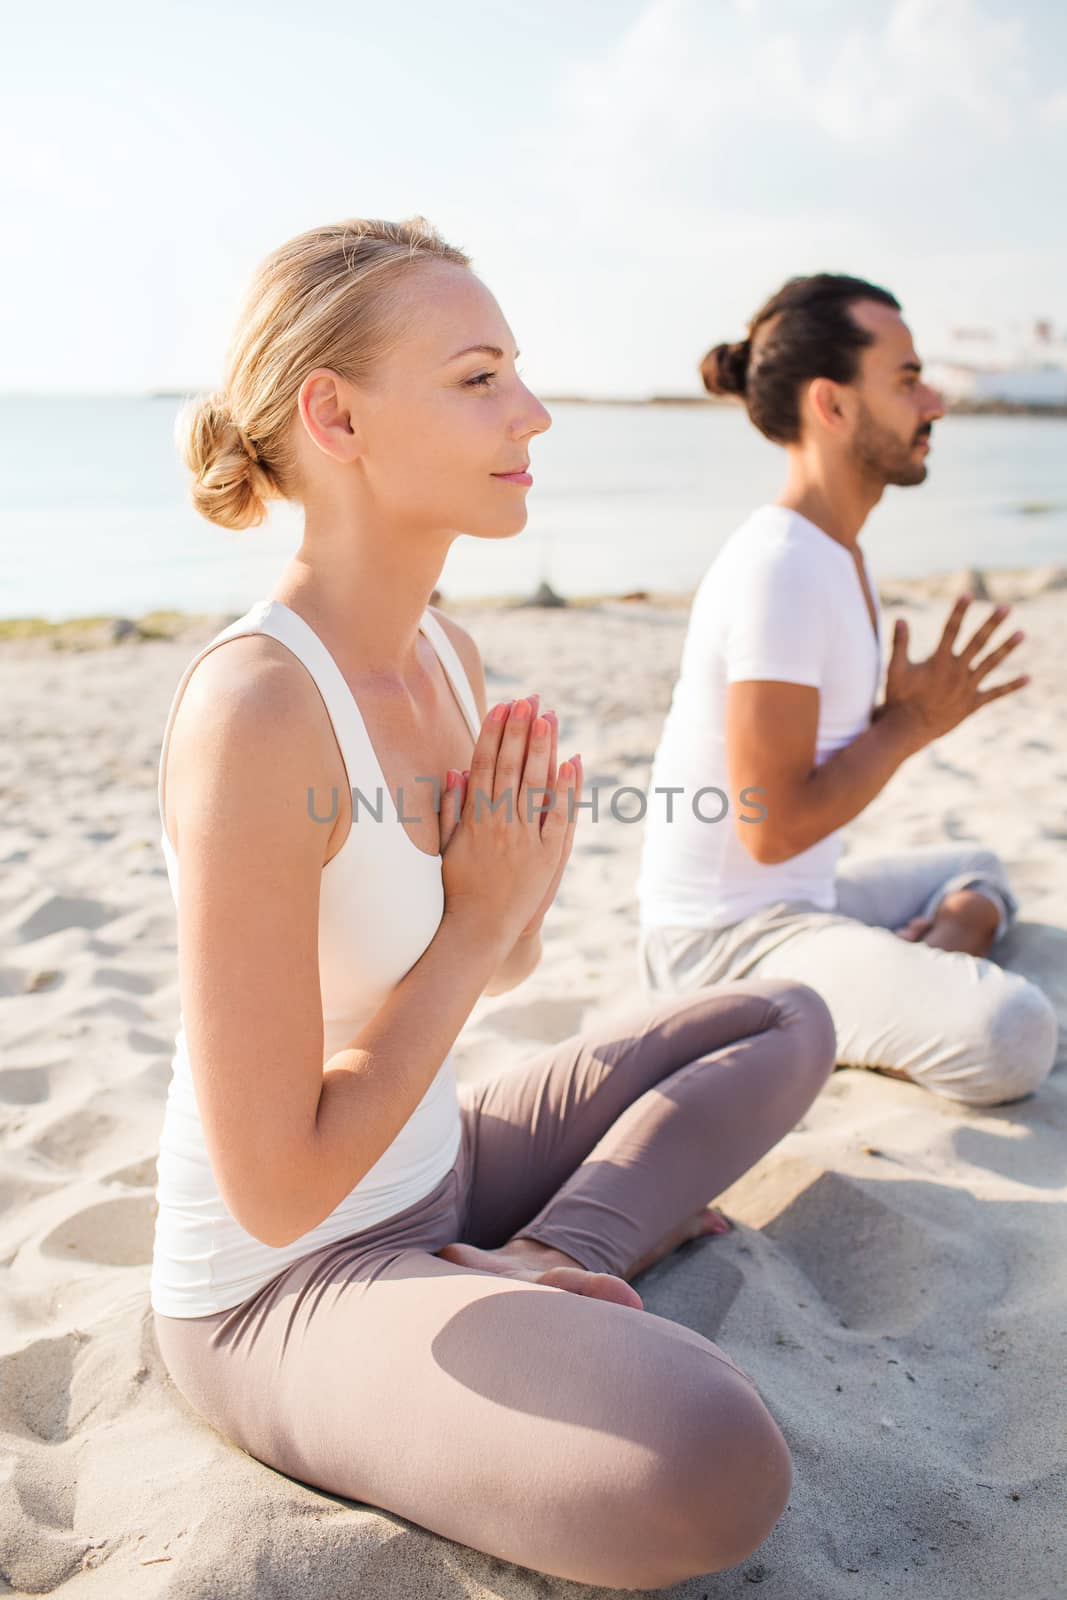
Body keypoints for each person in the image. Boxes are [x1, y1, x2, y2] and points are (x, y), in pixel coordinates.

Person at [149, 216, 838, 1590]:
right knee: (706, 1463)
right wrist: (476, 919)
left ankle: (539, 1250)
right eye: (477, 377)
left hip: (433, 1172)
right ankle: (528, 1264)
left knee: (783, 1014)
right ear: (332, 414)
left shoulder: (446, 656)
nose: (529, 411)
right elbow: (276, 1187)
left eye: (515, 371)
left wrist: (512, 900)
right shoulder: (256, 709)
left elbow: (499, 971)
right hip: (283, 1284)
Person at [636, 273, 1058, 1108]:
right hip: (722, 949)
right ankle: (910, 979)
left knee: (975, 868)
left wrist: (892, 722)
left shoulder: (836, 553)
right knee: (1012, 1030)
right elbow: (771, 826)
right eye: (905, 380)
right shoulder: (781, 567)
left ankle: (930, 953)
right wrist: (903, 726)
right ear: (831, 406)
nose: (933, 399)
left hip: (804, 903)